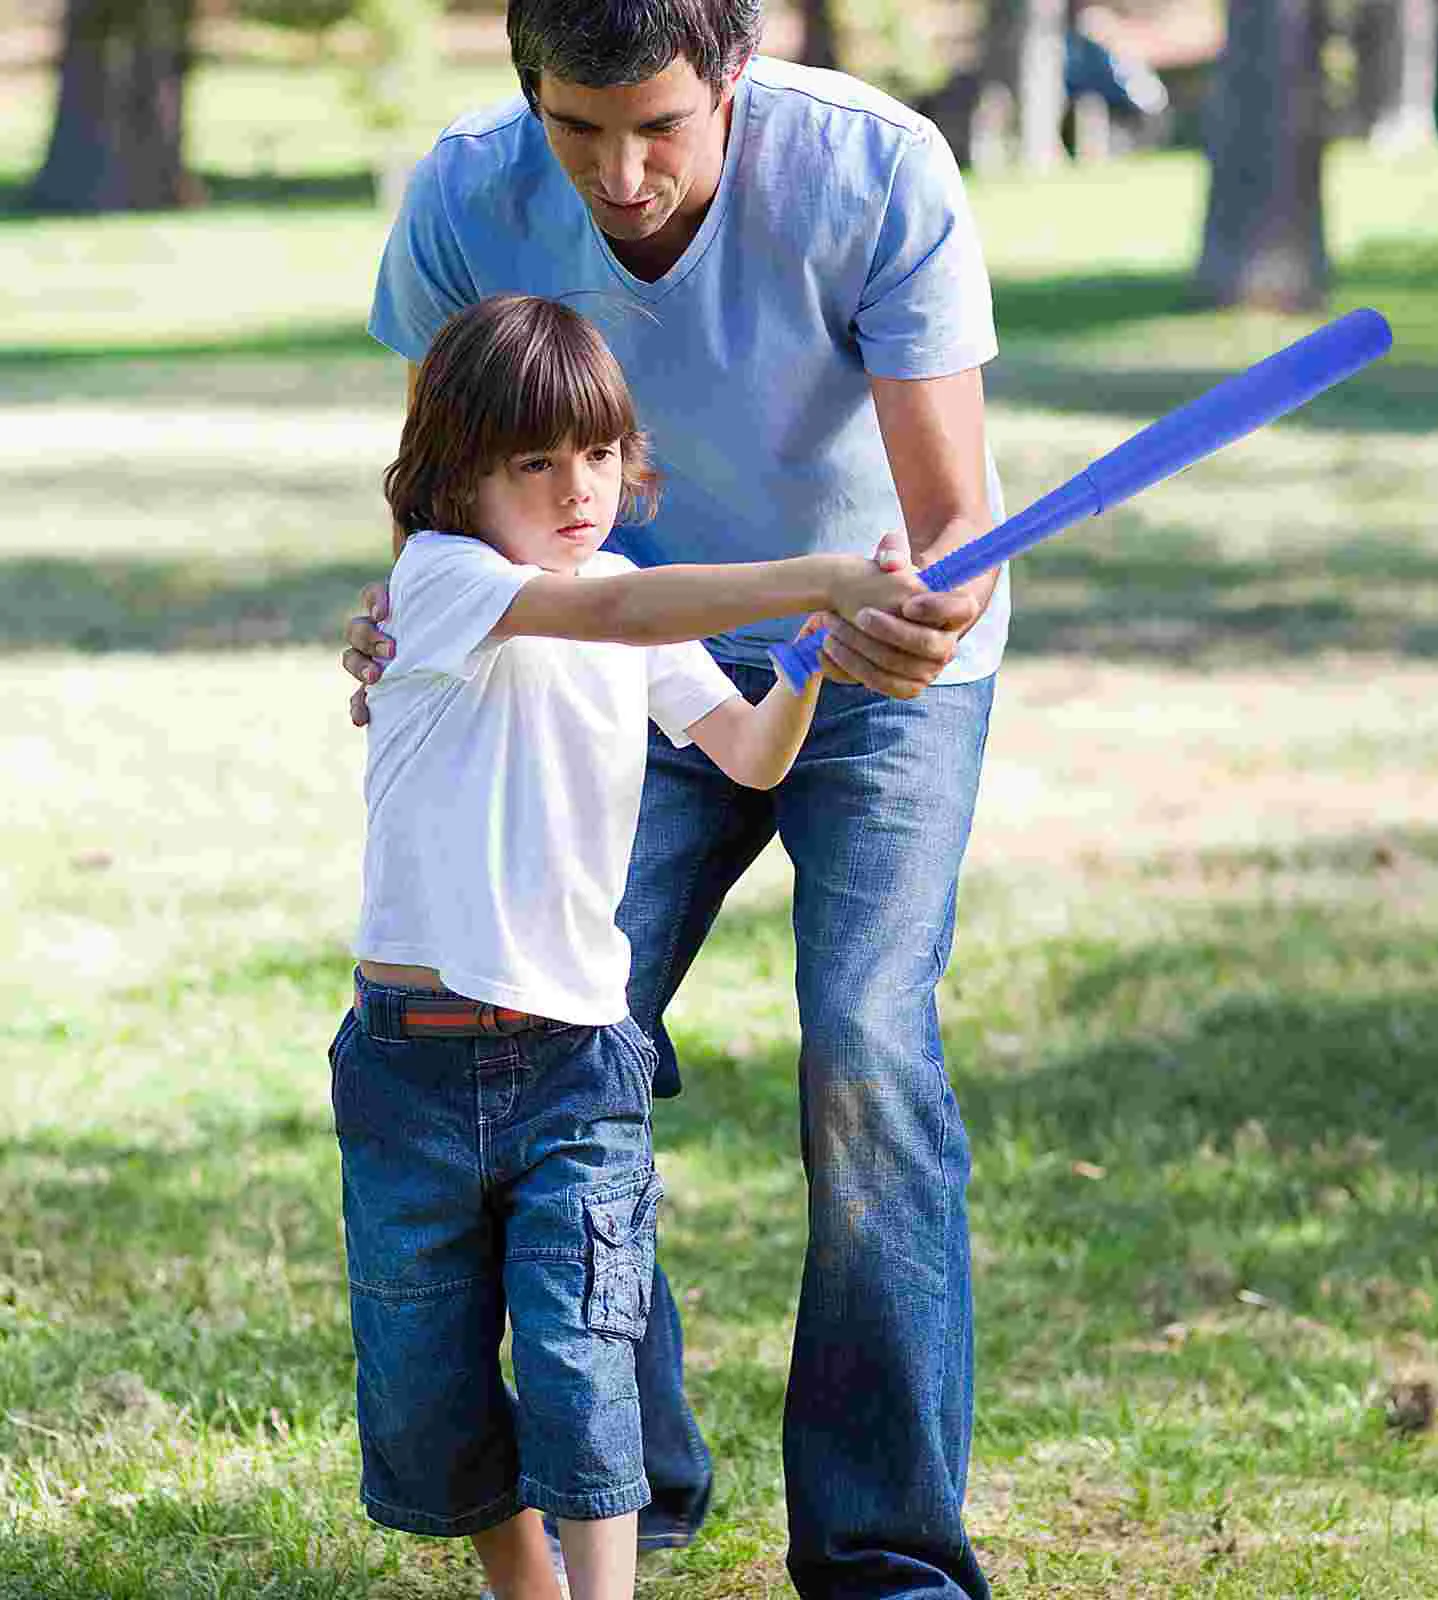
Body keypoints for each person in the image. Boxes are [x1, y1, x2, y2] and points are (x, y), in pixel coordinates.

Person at [342, 3, 1009, 1594]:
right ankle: (629, 1486)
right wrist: (411, 615)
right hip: (594, 642)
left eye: (658, 127)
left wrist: (886, 622)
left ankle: (885, 1554)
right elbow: (448, 468)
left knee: (863, 1047)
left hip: (864, 661)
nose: (620, 175)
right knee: (561, 1021)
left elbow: (952, 523)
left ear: (733, 80)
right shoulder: (464, 197)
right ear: (528, 98)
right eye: (577, 131)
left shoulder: (876, 171)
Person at [332, 291, 921, 1600]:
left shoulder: (619, 600)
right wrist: (819, 572)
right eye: (533, 462)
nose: (575, 488)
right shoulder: (446, 584)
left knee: (582, 1355)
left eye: (595, 454)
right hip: (410, 1075)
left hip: (575, 1069)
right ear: (456, 477)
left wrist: (806, 660)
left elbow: (749, 752)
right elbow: (614, 619)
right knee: (429, 1389)